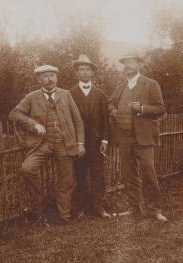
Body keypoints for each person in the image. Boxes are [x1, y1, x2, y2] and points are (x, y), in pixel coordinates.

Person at [9, 65, 85, 224]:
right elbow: (14, 114)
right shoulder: (32, 97)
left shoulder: (66, 94)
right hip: (42, 143)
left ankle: (64, 215)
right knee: (27, 169)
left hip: (65, 143)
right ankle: (40, 208)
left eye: (52, 75)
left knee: (66, 180)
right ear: (39, 79)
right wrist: (34, 124)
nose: (50, 79)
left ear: (57, 78)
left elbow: (77, 120)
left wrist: (80, 143)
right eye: (45, 76)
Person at [108, 49, 168, 222]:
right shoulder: (120, 86)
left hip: (143, 136)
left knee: (148, 172)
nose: (127, 65)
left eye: (131, 62)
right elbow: (111, 101)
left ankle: (154, 210)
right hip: (124, 136)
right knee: (129, 174)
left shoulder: (150, 84)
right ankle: (134, 208)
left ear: (140, 64)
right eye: (125, 63)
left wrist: (142, 108)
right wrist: (113, 111)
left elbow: (160, 108)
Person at [69, 55, 110, 219]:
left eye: (87, 69)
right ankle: (82, 207)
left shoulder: (100, 94)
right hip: (79, 143)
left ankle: (99, 206)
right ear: (77, 73)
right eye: (81, 70)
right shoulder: (69, 93)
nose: (85, 72)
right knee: (80, 174)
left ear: (92, 72)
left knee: (98, 175)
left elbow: (106, 119)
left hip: (97, 142)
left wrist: (105, 139)